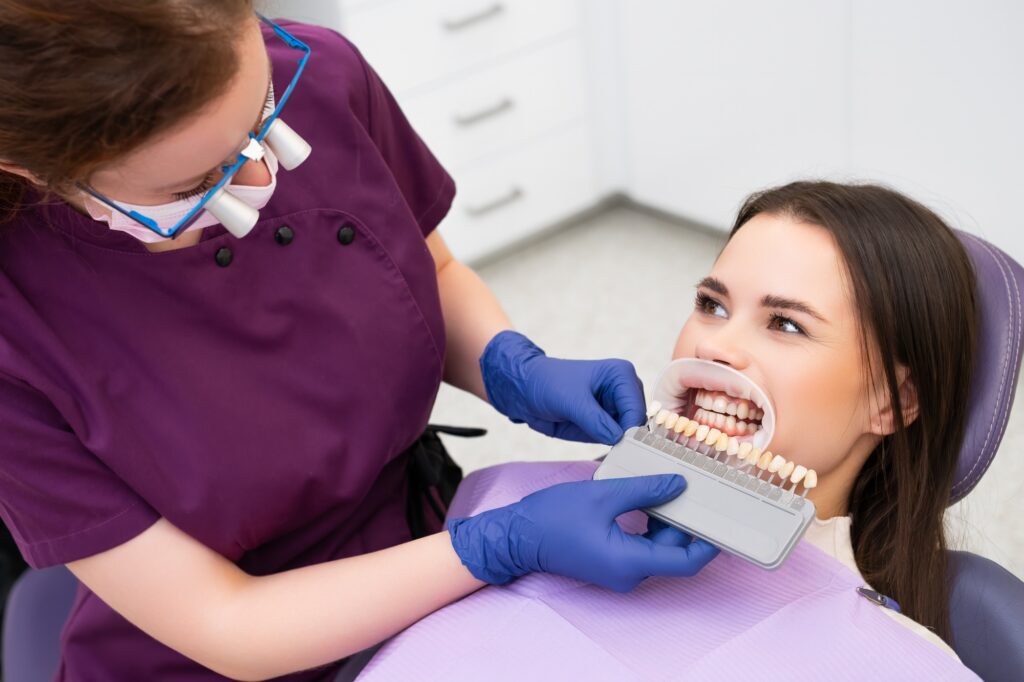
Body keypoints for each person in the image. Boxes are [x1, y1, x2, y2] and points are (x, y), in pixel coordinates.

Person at [0, 3, 718, 680]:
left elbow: (430, 268)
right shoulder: (17, 322)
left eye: (265, 118)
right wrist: (500, 544)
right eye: (198, 183)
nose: (262, 174)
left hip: (426, 549)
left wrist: (508, 362)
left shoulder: (320, 73)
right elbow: (226, 622)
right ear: (26, 167)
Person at [359, 181, 982, 679]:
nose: (715, 345)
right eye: (712, 305)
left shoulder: (895, 658)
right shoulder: (513, 497)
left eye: (786, 324)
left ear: (893, 403)